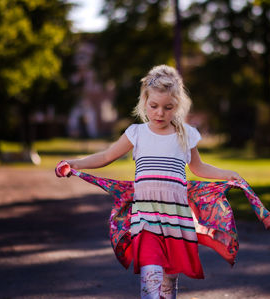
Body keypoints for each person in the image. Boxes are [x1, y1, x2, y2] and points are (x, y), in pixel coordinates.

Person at [58, 65, 249, 299]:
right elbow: (107, 156)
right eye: (154, 106)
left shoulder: (185, 134)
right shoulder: (136, 133)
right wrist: (76, 163)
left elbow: (199, 167)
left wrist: (228, 174)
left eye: (168, 108)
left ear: (177, 106)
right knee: (151, 277)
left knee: (168, 284)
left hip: (176, 221)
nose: (160, 113)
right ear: (144, 102)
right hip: (146, 220)